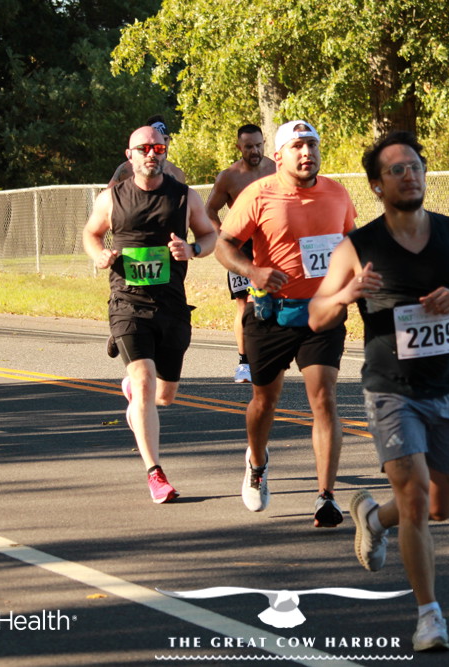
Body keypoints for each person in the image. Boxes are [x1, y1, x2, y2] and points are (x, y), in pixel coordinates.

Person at [309, 130, 449, 652]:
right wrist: (346, 294)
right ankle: (429, 616)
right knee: (414, 497)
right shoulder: (359, 246)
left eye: (415, 166)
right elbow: (317, 315)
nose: (409, 175)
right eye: (396, 169)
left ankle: (374, 517)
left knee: (437, 506)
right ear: (377, 185)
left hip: (448, 388)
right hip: (391, 391)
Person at [215, 120, 356, 527]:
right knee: (265, 401)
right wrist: (253, 271)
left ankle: (326, 497)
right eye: (297, 146)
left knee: (324, 398)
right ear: (279, 155)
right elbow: (224, 246)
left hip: (322, 313)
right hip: (271, 314)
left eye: (312, 144)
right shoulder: (258, 194)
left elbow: (351, 243)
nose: (306, 152)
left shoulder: (337, 193)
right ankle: (257, 462)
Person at [83, 125, 218, 503]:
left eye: (158, 148)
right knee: (144, 381)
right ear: (130, 155)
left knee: (164, 396)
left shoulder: (185, 196)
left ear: (165, 152)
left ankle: (135, 396)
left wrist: (193, 250)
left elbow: (209, 235)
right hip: (127, 303)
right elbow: (91, 234)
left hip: (171, 305)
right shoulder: (111, 199)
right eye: (143, 148)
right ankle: (155, 473)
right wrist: (99, 256)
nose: (151, 154)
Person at [204, 124, 277, 383]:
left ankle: (272, 354)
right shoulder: (229, 176)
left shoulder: (277, 169)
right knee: (244, 304)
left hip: (272, 245)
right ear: (239, 147)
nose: (254, 151)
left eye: (258, 145)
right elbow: (209, 209)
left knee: (276, 299)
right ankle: (244, 363)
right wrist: (223, 236)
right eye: (249, 147)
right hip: (241, 248)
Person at [108, 115, 186, 188]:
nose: (162, 143)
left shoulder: (177, 173)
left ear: (169, 139)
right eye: (156, 141)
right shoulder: (127, 169)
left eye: (165, 139)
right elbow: (108, 195)